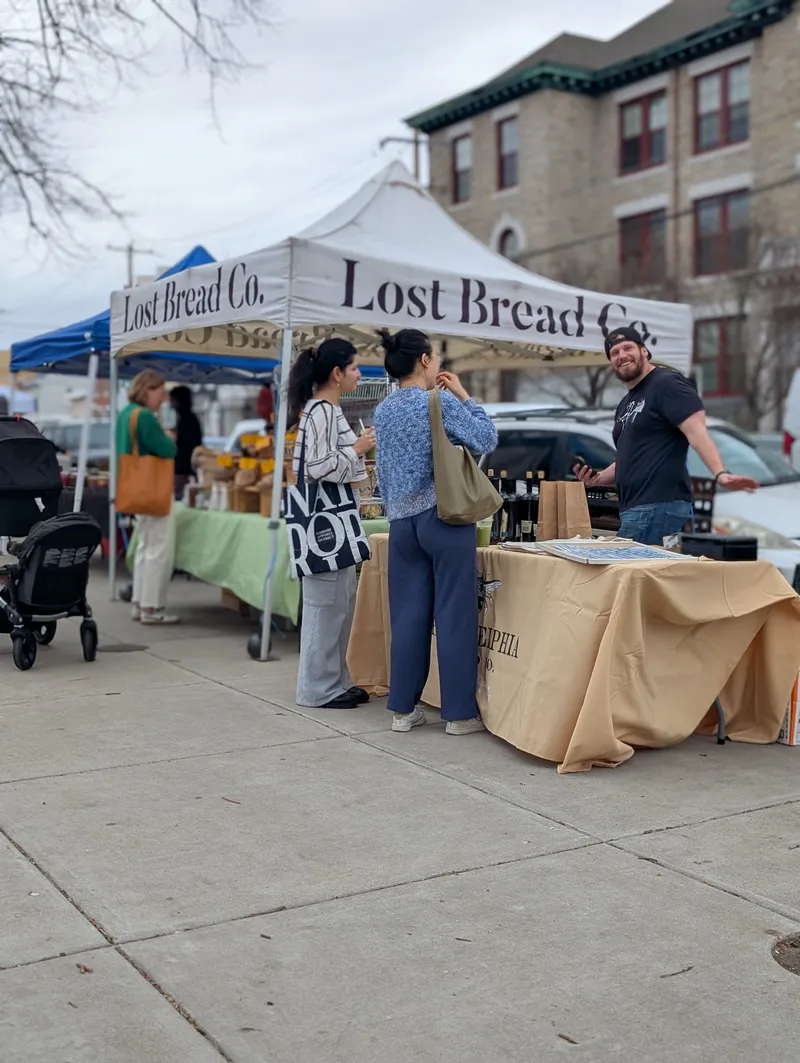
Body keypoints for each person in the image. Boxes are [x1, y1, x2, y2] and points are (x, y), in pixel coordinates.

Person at [374, 328, 498, 736]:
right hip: (442, 516)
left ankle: (402, 710)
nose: (440, 365)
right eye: (436, 358)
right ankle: (459, 714)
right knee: (453, 614)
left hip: (400, 522)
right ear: (424, 360)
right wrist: (465, 394)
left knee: (408, 615)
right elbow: (486, 438)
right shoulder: (440, 400)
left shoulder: (383, 411)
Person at [574, 326, 758, 545]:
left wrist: (720, 473)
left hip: (658, 506)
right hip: (637, 509)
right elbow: (632, 455)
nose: (621, 356)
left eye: (627, 348)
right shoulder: (626, 403)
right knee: (640, 577)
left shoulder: (666, 383)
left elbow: (696, 431)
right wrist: (598, 479)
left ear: (644, 351)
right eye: (614, 353)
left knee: (631, 576)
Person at [289, 337, 376, 710]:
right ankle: (317, 688)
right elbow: (317, 466)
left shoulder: (325, 410)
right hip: (325, 522)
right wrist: (356, 450)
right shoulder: (321, 411)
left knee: (338, 602)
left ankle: (335, 681)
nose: (359, 373)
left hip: (333, 519)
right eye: (354, 367)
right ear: (337, 373)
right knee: (326, 605)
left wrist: (354, 451)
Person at [116, 370, 179, 625]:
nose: (163, 399)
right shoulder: (145, 417)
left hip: (136, 489)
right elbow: (168, 449)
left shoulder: (125, 414)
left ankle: (139, 603)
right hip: (153, 491)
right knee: (158, 549)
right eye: (160, 392)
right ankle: (150, 608)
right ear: (148, 390)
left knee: (144, 547)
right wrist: (168, 436)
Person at [169, 385, 203, 500]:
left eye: (172, 400)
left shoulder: (187, 419)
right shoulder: (188, 418)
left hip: (184, 469)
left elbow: (186, 445)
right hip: (186, 468)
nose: (170, 403)